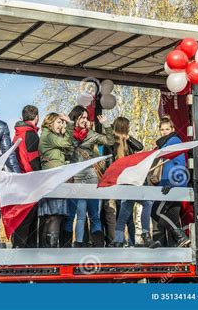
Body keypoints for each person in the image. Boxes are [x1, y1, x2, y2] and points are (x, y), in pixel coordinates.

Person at [64, 105, 114, 248]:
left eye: (87, 118)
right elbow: (66, 147)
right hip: (73, 180)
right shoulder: (68, 133)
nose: (86, 120)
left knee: (94, 215)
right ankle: (72, 246)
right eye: (83, 117)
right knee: (72, 216)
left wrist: (106, 124)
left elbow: (110, 141)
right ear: (75, 117)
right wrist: (69, 126)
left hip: (90, 179)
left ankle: (98, 247)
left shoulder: (91, 134)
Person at [111, 117, 160, 248]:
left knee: (125, 212)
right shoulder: (113, 144)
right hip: (126, 181)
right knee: (145, 203)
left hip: (133, 180)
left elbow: (140, 146)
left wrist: (128, 138)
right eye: (128, 126)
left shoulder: (128, 143)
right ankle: (145, 236)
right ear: (124, 127)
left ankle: (118, 239)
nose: (129, 128)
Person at [150, 116, 191, 247]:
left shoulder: (173, 141)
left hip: (171, 185)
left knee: (156, 211)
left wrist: (171, 184)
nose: (164, 132)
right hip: (170, 185)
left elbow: (180, 164)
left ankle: (181, 236)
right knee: (172, 217)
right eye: (162, 129)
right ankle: (176, 251)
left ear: (172, 129)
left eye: (167, 129)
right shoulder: (165, 144)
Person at [38, 112, 73, 248]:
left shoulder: (51, 136)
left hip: (54, 179)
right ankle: (50, 250)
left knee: (52, 217)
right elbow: (67, 142)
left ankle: (47, 249)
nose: (61, 125)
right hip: (53, 180)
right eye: (59, 122)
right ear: (50, 122)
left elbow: (69, 146)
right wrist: (69, 124)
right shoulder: (48, 136)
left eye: (62, 123)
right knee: (54, 216)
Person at [12, 105, 41, 248]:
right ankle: (25, 256)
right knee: (29, 219)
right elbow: (34, 160)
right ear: (36, 117)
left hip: (19, 180)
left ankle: (18, 250)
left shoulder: (17, 134)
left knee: (21, 218)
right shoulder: (31, 134)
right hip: (30, 181)